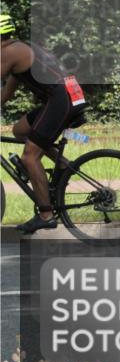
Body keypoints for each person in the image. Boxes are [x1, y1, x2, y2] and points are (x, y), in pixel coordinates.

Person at [0, 13, 87, 233]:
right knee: (20, 130)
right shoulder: (19, 49)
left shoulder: (8, 53)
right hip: (67, 96)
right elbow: (5, 94)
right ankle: (61, 163)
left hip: (61, 100)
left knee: (29, 156)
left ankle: (46, 214)